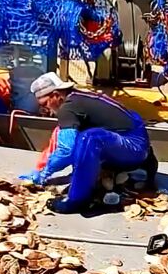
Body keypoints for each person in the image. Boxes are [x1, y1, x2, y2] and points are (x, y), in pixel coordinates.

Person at [20, 72, 157, 213]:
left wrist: (45, 172)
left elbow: (67, 150)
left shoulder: (67, 108)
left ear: (55, 95)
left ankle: (77, 200)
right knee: (82, 137)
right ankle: (143, 162)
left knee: (89, 138)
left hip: (133, 146)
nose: (45, 109)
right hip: (138, 139)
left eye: (45, 104)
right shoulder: (79, 98)